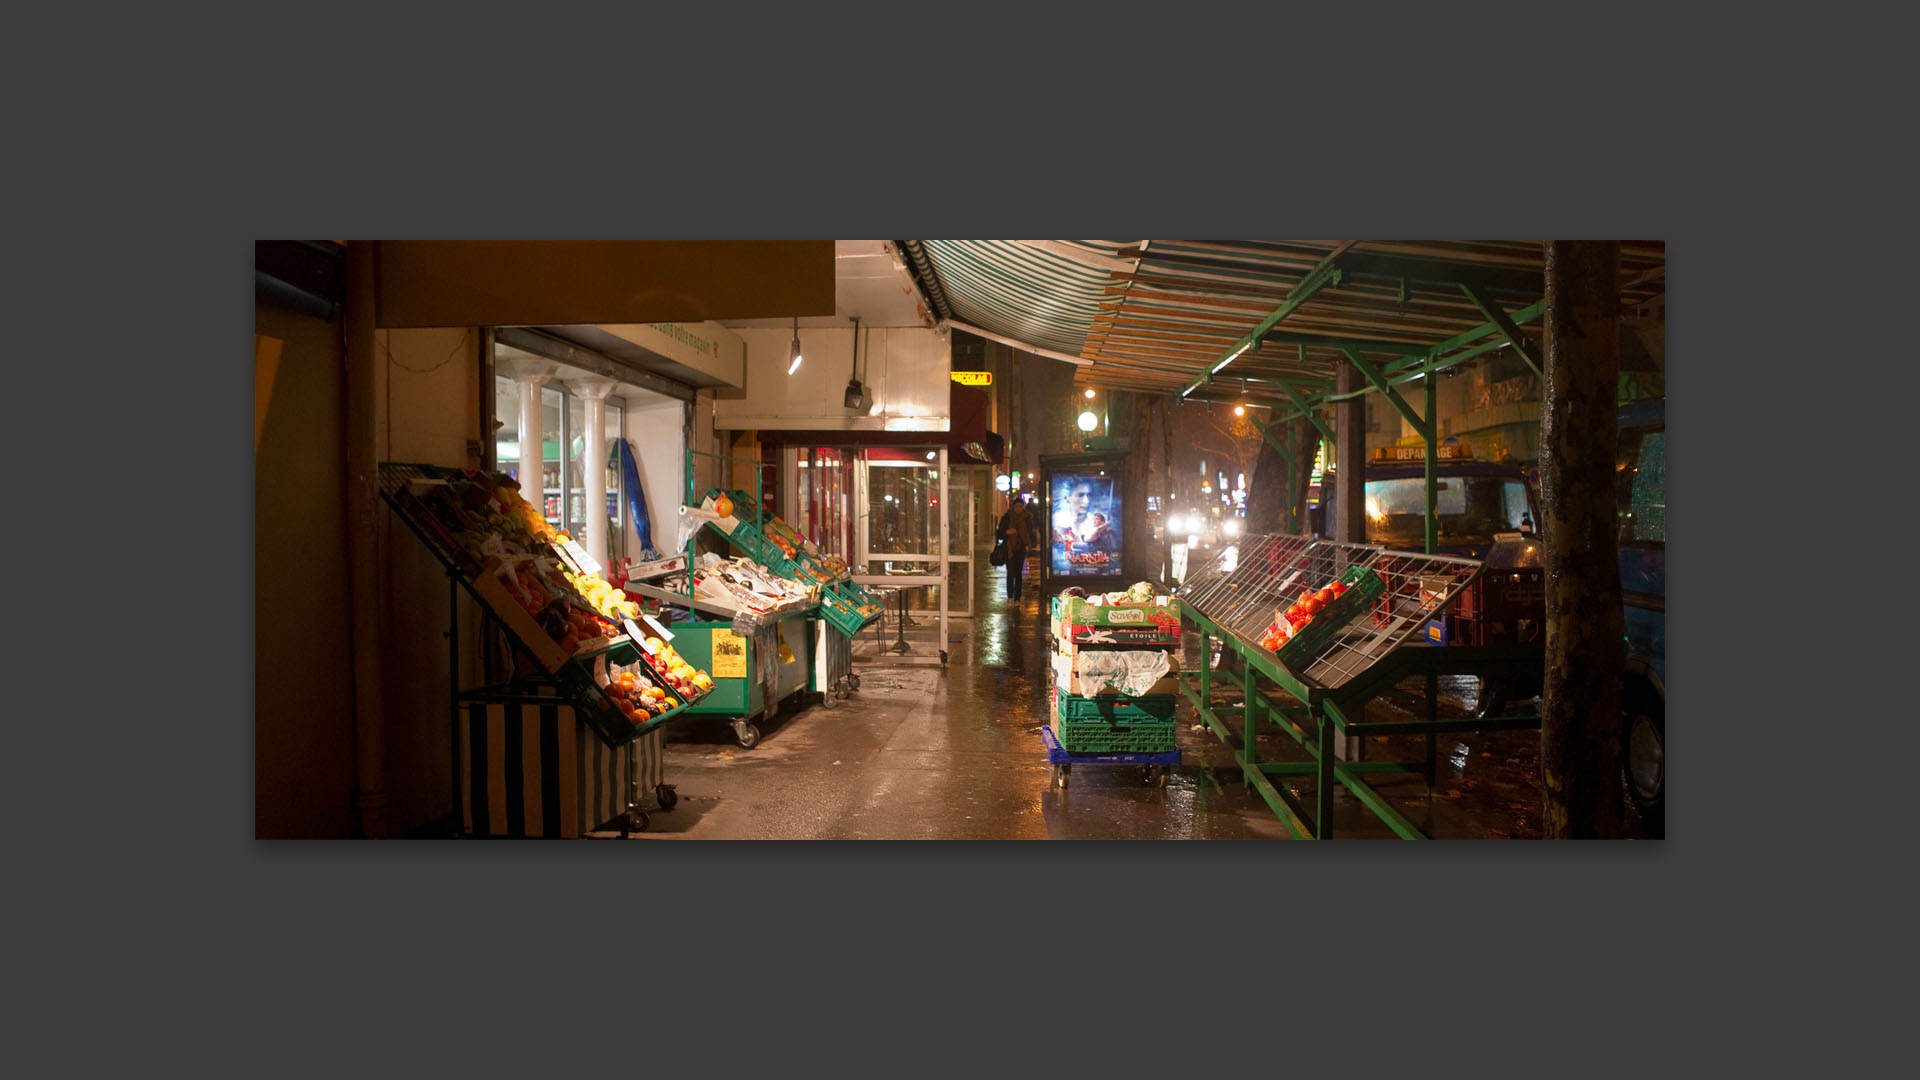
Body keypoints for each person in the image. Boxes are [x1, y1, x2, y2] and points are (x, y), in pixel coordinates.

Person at [997, 496, 1034, 600]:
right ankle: (1010, 596)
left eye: (1020, 506)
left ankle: (1017, 597)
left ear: (1023, 507)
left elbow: (1030, 533)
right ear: (1013, 507)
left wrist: (1028, 543)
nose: (1018, 508)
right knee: (1010, 573)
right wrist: (1006, 532)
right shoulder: (1007, 517)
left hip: (1021, 548)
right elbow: (999, 534)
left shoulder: (1027, 518)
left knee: (1018, 574)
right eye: (1016, 506)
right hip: (1009, 549)